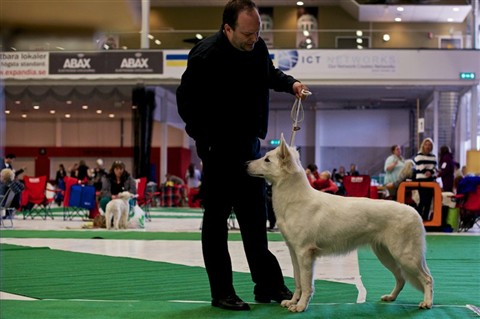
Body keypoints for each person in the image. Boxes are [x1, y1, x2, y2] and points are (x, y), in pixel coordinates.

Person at [176, 0, 308, 311]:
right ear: (227, 29)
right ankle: (222, 292)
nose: (254, 39)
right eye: (247, 34)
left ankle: (268, 285)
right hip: (217, 150)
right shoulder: (205, 56)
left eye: (257, 33)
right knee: (216, 222)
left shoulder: (257, 48)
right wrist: (204, 140)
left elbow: (270, 74)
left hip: (250, 148)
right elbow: (186, 102)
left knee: (254, 220)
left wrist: (292, 84)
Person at [413, 138, 437, 220]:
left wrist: (430, 172)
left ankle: (426, 218)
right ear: (423, 145)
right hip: (421, 180)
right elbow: (420, 166)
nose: (428, 146)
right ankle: (418, 218)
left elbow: (434, 168)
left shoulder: (433, 157)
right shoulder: (418, 155)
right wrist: (426, 172)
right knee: (423, 200)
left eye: (430, 145)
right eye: (426, 144)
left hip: (430, 180)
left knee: (429, 201)